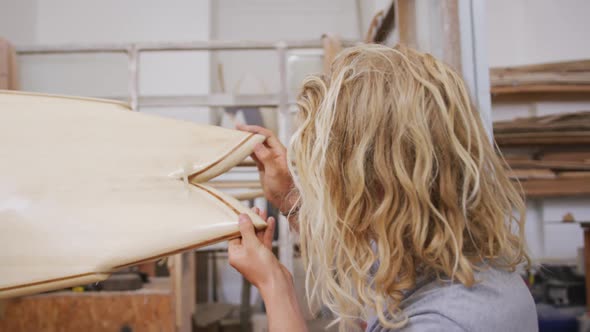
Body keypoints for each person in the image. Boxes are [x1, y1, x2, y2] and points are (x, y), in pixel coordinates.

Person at [227, 44, 538, 331]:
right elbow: (364, 252)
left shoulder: (444, 323)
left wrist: (275, 285)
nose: (324, 190)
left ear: (378, 185)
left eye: (330, 177)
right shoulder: (456, 261)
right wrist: (288, 196)